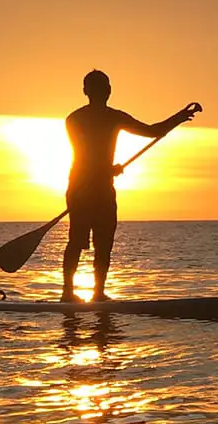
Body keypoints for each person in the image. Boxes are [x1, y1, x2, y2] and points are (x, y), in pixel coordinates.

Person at [62, 70, 200, 302]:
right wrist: (107, 169)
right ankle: (67, 293)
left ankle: (98, 294)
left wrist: (179, 117)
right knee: (77, 240)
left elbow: (152, 131)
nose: (104, 91)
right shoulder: (74, 120)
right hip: (81, 187)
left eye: (106, 86)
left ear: (109, 90)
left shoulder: (115, 117)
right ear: (86, 91)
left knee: (104, 242)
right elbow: (84, 152)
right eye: (99, 87)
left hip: (104, 189)